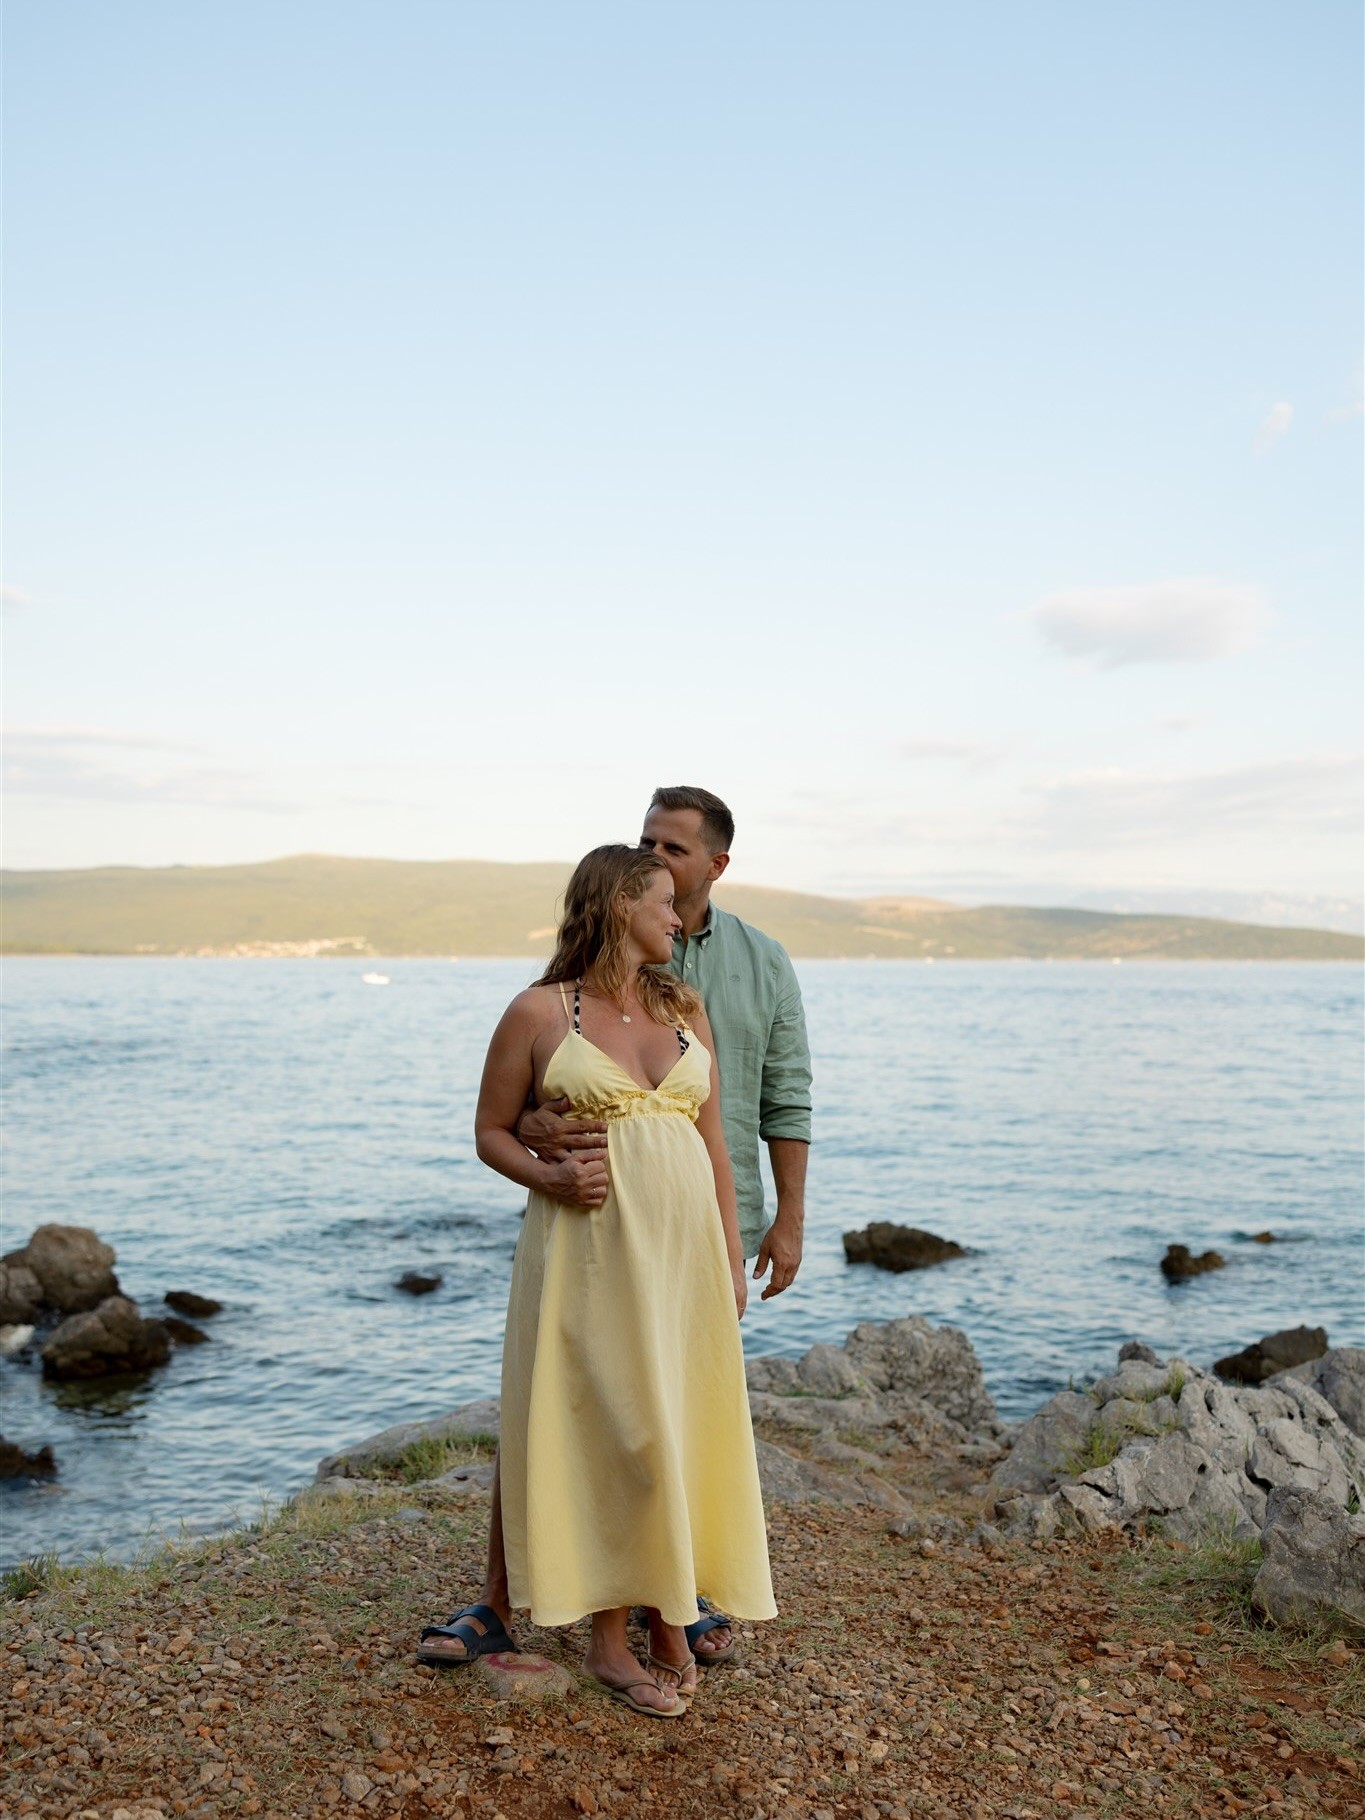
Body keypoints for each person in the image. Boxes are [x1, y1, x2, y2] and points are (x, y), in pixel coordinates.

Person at [418, 787, 812, 1669]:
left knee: (675, 1417)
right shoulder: (540, 1008)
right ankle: (519, 1602)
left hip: (691, 1245)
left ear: (712, 863)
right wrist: (542, 1153)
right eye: (648, 852)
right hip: (592, 1246)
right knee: (581, 1411)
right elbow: (502, 1120)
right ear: (620, 898)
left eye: (674, 852)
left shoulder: (736, 975)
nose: (662, 866)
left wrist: (758, 1235)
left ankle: (673, 1600)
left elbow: (762, 1110)